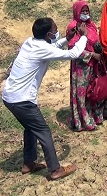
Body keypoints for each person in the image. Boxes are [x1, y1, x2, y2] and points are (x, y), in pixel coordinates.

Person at [2, 17, 85, 180]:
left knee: (30, 128)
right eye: (55, 30)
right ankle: (55, 170)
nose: (56, 31)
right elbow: (73, 53)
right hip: (22, 100)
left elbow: (52, 48)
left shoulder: (30, 42)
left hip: (9, 97)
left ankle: (29, 163)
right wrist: (84, 36)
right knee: (43, 131)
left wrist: (66, 39)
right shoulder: (42, 48)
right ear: (48, 34)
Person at [67, 0, 104, 132]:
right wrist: (92, 55)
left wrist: (99, 52)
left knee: (92, 91)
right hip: (80, 67)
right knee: (81, 94)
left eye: (87, 11)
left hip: (94, 65)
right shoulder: (73, 27)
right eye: (82, 11)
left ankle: (93, 116)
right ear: (77, 12)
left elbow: (96, 41)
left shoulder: (92, 25)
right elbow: (72, 48)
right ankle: (82, 120)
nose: (85, 13)